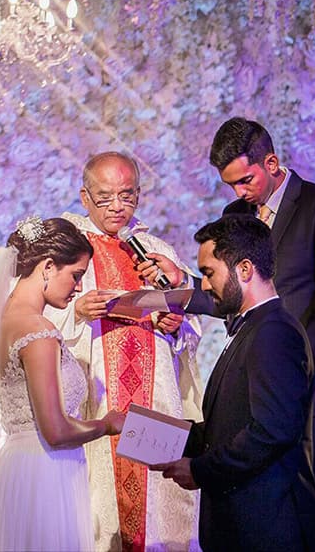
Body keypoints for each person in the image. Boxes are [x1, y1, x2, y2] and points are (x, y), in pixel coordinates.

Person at [141, 117, 315, 552]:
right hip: (257, 385)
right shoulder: (235, 216)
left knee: (312, 505)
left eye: (245, 180)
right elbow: (230, 293)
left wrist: (295, 356)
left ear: (272, 162)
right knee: (260, 507)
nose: (239, 193)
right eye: (230, 185)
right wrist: (182, 284)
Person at [46, 152, 203, 551]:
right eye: (105, 198)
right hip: (99, 398)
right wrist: (76, 311)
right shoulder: (66, 246)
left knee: (163, 513)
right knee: (100, 511)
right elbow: (32, 313)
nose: (117, 206)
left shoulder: (153, 248)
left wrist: (176, 324)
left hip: (155, 396)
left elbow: (190, 319)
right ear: (85, 197)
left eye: (127, 196)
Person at [0, 216, 125, 552]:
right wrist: (106, 424)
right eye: (76, 275)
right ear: (47, 266)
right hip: (43, 477)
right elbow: (55, 431)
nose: (79, 288)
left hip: (16, 470)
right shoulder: (37, 330)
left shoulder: (3, 321)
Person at [151, 214, 315, 552]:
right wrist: (150, 431)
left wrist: (200, 471)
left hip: (266, 527)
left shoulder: (274, 332)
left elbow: (271, 431)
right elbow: (226, 427)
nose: (204, 285)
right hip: (241, 526)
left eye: (208, 273)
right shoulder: (252, 326)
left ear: (244, 269)